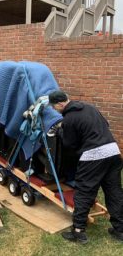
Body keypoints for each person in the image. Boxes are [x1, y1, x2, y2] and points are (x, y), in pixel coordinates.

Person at [48, 90, 123, 244]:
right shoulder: (90, 107)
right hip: (113, 152)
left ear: (60, 104)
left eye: (54, 107)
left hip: (93, 157)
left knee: (84, 191)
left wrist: (60, 132)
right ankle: (120, 229)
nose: (54, 110)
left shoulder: (69, 118)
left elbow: (70, 144)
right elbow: (105, 125)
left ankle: (78, 231)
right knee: (114, 191)